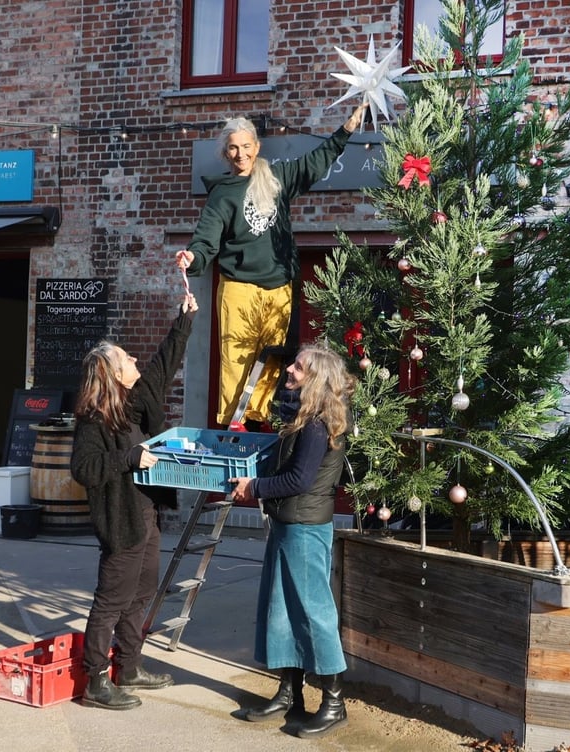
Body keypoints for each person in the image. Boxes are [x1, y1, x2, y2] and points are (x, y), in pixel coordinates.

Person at [176, 102, 369, 430]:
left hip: (278, 285)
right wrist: (193, 257)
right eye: (233, 148)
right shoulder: (223, 194)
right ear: (226, 153)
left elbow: (314, 164)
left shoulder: (276, 177)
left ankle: (257, 422)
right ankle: (233, 427)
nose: (240, 154)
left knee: (271, 361)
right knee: (237, 361)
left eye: (246, 146)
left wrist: (346, 131)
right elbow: (206, 238)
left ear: (257, 147)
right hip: (239, 287)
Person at [70, 291, 198, 710]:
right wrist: (129, 457)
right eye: (128, 359)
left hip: (147, 514)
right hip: (121, 520)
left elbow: (164, 364)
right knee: (110, 600)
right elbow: (83, 468)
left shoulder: (136, 401)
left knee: (142, 591)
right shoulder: (94, 419)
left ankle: (130, 667)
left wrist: (183, 319)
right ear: (111, 371)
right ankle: (94, 682)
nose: (136, 363)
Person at [229, 343, 355, 738]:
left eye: (298, 367)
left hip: (304, 529)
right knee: (281, 611)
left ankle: (334, 704)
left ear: (315, 377)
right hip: (289, 525)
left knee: (313, 614)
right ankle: (289, 694)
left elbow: (298, 480)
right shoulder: (305, 417)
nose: (290, 371)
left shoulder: (319, 425)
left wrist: (256, 487)